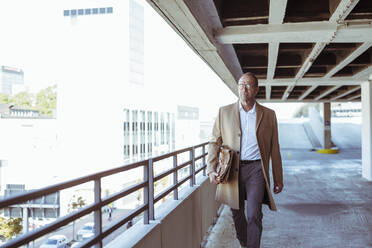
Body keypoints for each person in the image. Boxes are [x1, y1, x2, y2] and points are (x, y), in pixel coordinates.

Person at [207, 72, 283, 248]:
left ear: (256, 89)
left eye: (248, 85)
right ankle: (244, 243)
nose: (244, 89)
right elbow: (214, 141)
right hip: (232, 170)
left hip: (256, 169)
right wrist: (211, 169)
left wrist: (278, 177)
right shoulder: (224, 112)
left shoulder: (268, 115)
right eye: (241, 85)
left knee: (254, 213)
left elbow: (275, 148)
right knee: (237, 213)